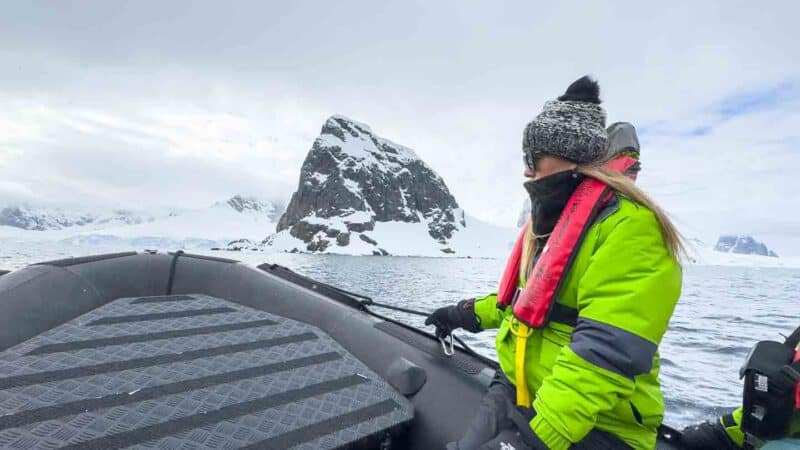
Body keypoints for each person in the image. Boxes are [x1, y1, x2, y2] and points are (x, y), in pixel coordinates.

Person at [426, 76, 683, 449]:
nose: (528, 171)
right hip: (517, 386)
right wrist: (460, 314)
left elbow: (603, 357)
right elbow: (521, 306)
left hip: (597, 423)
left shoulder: (632, 229)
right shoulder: (554, 226)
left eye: (534, 159)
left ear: (570, 157)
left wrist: (530, 440)